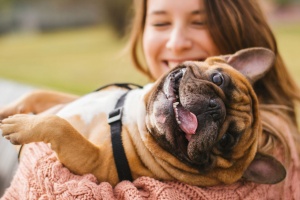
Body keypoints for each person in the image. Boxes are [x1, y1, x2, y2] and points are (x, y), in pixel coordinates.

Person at [1, 0, 300, 199]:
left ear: (237, 29)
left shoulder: (271, 143)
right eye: (160, 23)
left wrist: (40, 138)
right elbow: (89, 109)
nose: (176, 42)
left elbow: (48, 190)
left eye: (226, 140)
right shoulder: (143, 105)